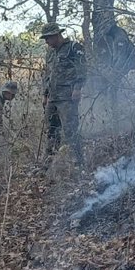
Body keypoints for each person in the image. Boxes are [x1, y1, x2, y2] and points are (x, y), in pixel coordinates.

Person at [39, 23, 86, 166]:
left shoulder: (74, 48)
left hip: (67, 98)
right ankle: (48, 164)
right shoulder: (50, 53)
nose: (46, 42)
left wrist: (77, 88)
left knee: (70, 130)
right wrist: (45, 95)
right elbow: (48, 75)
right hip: (53, 98)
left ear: (56, 35)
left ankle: (79, 162)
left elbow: (82, 70)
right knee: (52, 132)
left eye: (48, 38)